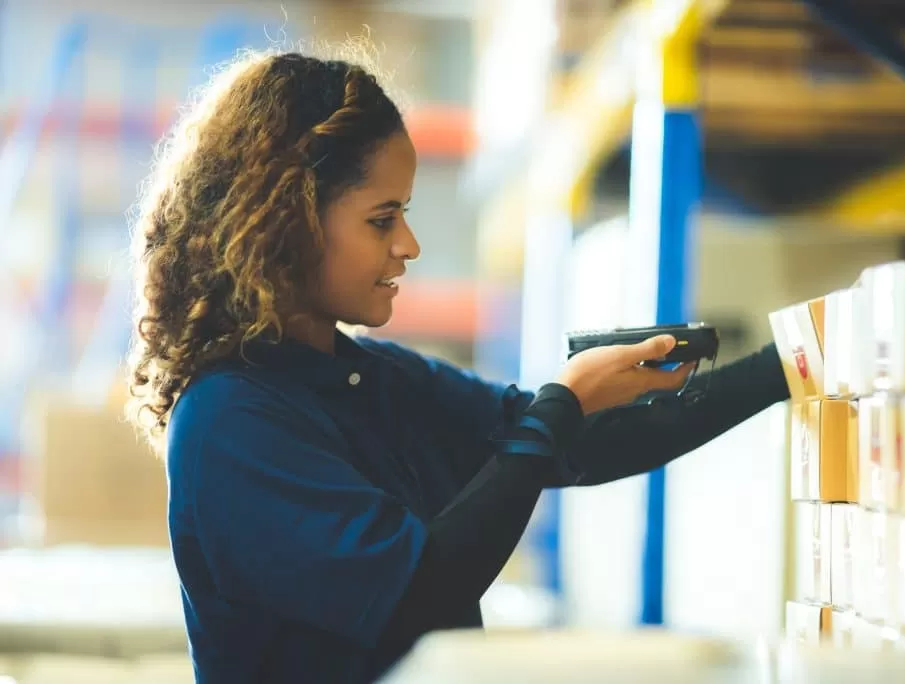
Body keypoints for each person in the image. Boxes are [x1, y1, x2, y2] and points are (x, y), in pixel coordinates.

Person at [125, 48, 790, 684]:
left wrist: (788, 365)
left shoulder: (374, 380)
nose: (408, 245)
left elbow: (579, 441)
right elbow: (420, 594)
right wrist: (560, 403)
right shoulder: (231, 423)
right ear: (285, 222)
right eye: (382, 220)